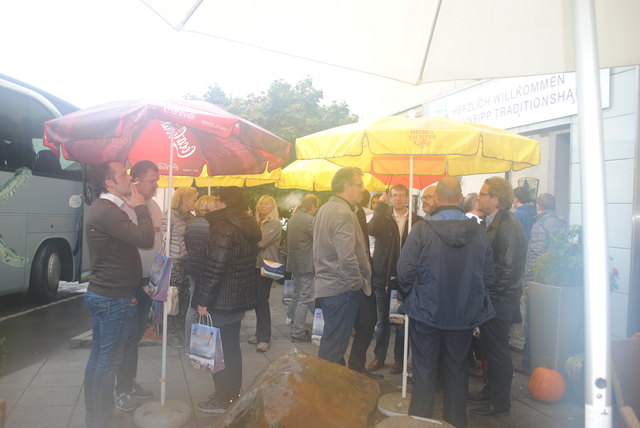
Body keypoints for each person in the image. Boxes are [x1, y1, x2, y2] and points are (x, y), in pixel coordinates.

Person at [397, 177, 495, 428]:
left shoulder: (422, 229)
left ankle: (420, 422)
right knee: (457, 371)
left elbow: (404, 271)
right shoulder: (479, 232)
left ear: (437, 198)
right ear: (460, 199)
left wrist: (413, 296)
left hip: (426, 312)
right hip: (462, 315)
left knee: (424, 371)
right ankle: (456, 422)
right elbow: (489, 276)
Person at [83, 161, 154, 428]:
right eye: (123, 174)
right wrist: (140, 206)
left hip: (109, 295)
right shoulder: (108, 210)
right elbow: (146, 239)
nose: (130, 178)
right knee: (108, 361)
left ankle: (97, 414)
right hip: (114, 298)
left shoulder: (106, 209)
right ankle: (99, 419)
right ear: (109, 183)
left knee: (100, 358)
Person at [192, 187, 262, 413]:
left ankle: (223, 397)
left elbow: (215, 267)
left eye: (218, 199)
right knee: (231, 348)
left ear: (226, 203)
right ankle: (231, 394)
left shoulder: (223, 227)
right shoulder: (246, 224)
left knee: (218, 350)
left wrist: (203, 299)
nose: (214, 203)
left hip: (220, 299)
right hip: (236, 297)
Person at [469, 177, 526, 418]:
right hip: (494, 298)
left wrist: (489, 299)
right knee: (491, 349)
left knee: (498, 350)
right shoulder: (494, 222)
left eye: (483, 194)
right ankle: (490, 391)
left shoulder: (508, 225)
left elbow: (507, 269)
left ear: (497, 200)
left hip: (499, 301)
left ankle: (500, 402)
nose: (478, 197)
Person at [115, 160, 162, 411]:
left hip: (150, 280)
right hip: (130, 282)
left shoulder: (153, 206)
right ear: (136, 180)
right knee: (126, 336)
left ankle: (129, 383)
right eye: (152, 181)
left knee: (135, 336)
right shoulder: (123, 207)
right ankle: (121, 390)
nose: (156, 186)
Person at [313, 167, 371, 363]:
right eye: (359, 185)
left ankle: (330, 379)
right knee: (333, 349)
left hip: (328, 286)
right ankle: (324, 383)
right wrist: (356, 283)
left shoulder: (325, 208)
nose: (362, 189)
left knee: (332, 344)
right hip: (341, 289)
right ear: (347, 187)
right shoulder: (342, 212)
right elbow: (347, 257)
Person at [366, 184, 420, 374]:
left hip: (406, 279)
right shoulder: (384, 217)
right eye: (394, 195)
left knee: (403, 322)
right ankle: (379, 356)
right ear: (389, 198)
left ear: (408, 197)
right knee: (382, 321)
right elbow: (371, 229)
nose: (398, 198)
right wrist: (380, 207)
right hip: (384, 276)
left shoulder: (416, 220)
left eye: (402, 195)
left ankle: (400, 359)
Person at [518, 193, 566, 372]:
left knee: (533, 322)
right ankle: (548, 361)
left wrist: (529, 282)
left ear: (538, 206)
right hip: (555, 281)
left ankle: (529, 361)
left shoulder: (540, 225)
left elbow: (535, 256)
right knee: (550, 324)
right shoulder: (562, 224)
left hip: (539, 282)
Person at [348, 190, 382, 380]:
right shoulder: (345, 212)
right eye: (358, 186)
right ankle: (349, 369)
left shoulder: (359, 212)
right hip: (353, 278)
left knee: (367, 323)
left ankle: (356, 367)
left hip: (364, 275)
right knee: (361, 323)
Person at [183, 195, 221, 350]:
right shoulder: (213, 224)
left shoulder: (190, 223)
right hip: (207, 268)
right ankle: (205, 345)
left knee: (193, 305)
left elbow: (187, 244)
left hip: (193, 267)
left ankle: (189, 345)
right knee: (205, 305)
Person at [163, 186, 198, 348]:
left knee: (185, 298)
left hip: (187, 262)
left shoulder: (190, 217)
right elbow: (163, 239)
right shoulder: (170, 215)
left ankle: (182, 330)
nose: (195, 202)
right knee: (173, 298)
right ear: (184, 199)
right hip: (174, 262)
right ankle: (172, 332)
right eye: (193, 199)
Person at [248, 195, 282, 353]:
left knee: (262, 300)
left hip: (266, 266)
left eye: (267, 204)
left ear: (272, 207)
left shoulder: (274, 224)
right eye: (261, 203)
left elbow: (260, 242)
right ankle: (259, 333)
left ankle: (264, 338)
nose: (262, 206)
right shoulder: (255, 222)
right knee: (257, 300)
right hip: (255, 265)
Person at [286, 194, 320, 341]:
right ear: (312, 206)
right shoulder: (309, 220)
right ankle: (298, 331)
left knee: (297, 294)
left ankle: (295, 324)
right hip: (306, 263)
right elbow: (318, 238)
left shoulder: (294, 218)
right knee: (305, 297)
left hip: (295, 262)